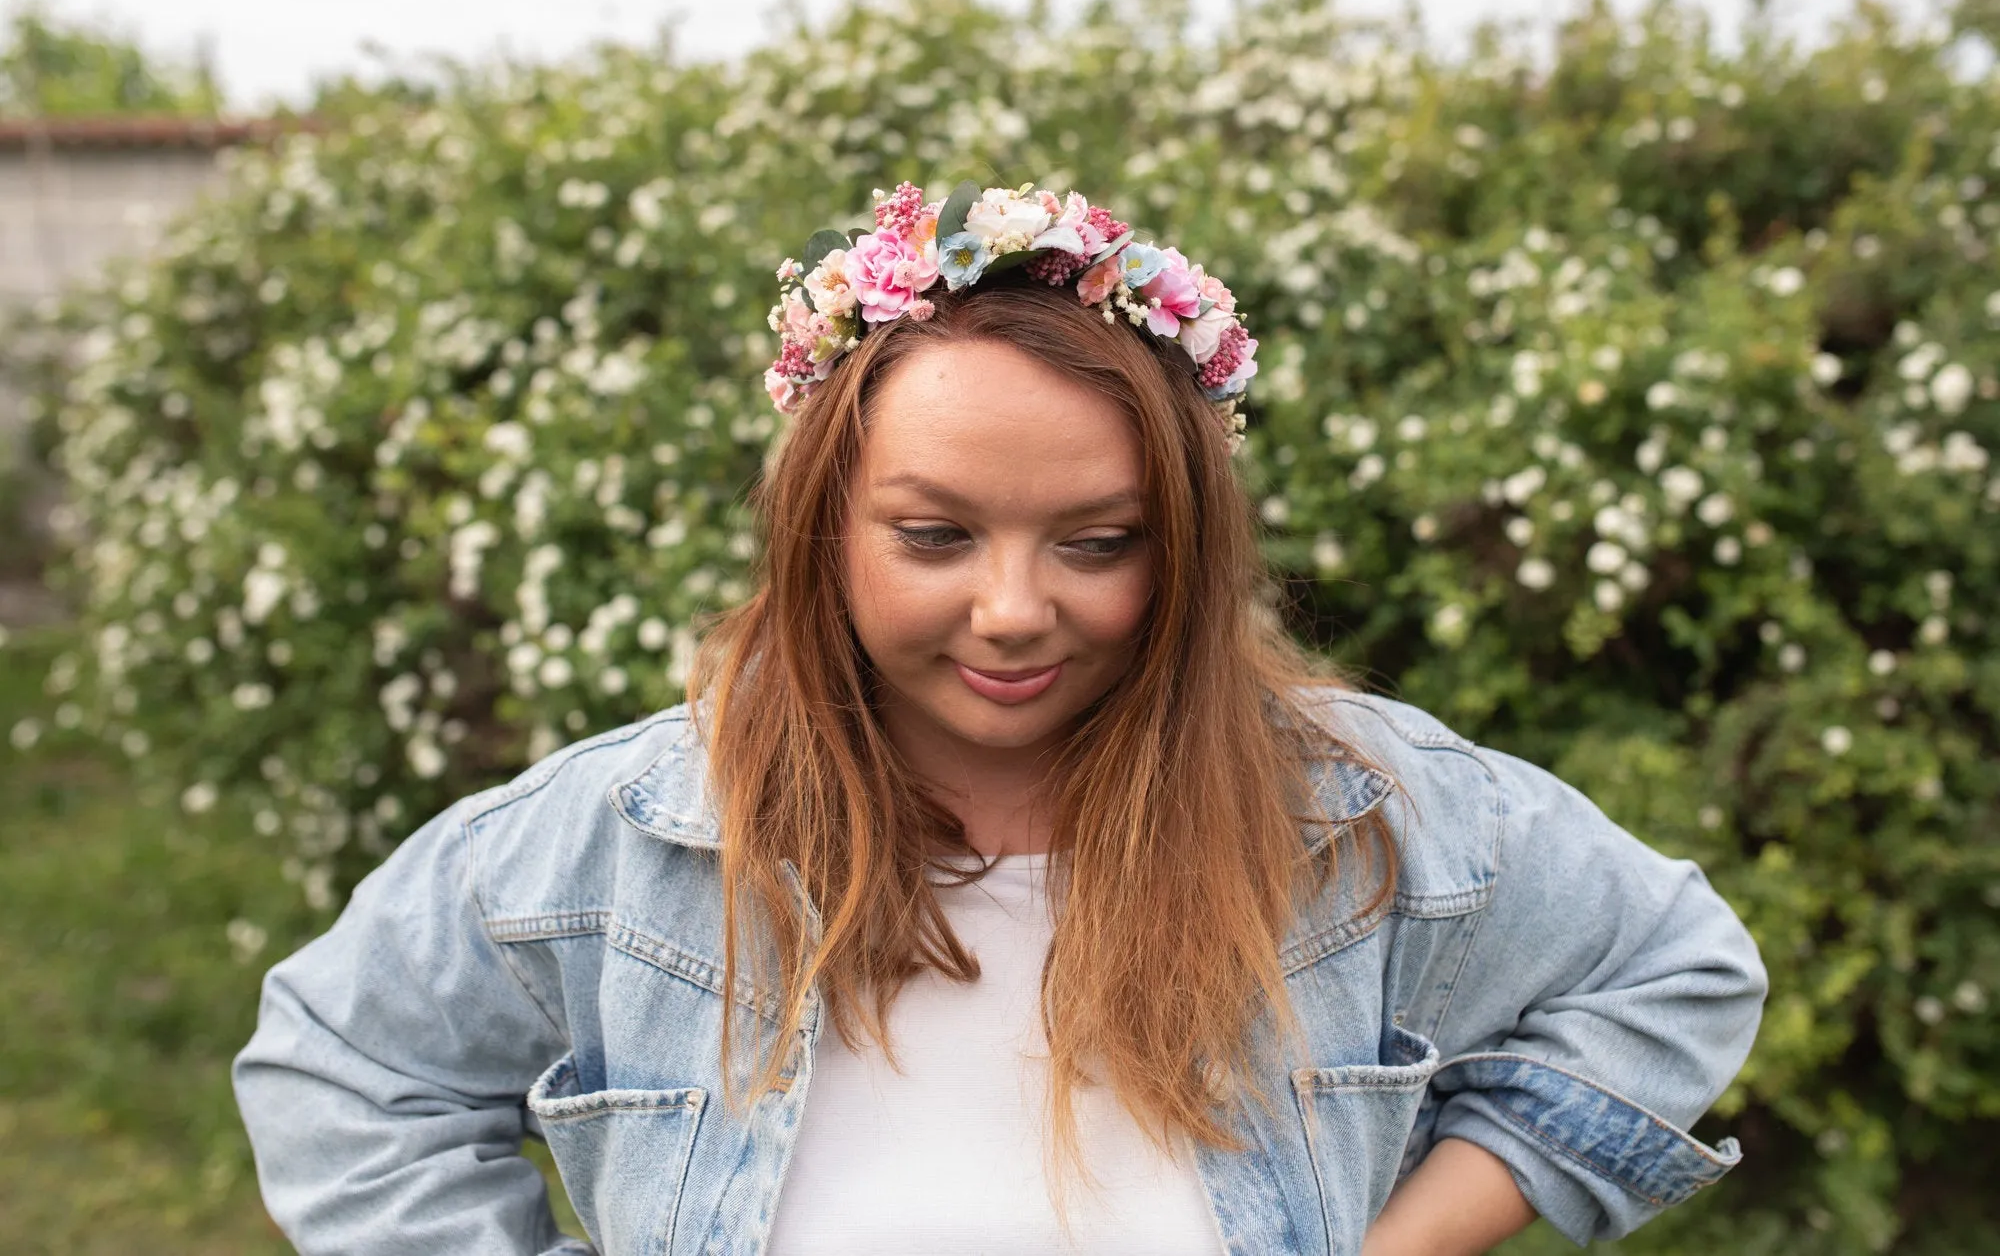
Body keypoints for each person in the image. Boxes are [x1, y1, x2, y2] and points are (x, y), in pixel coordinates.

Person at [234, 181, 1767, 1256]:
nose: (1017, 609)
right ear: (824, 526)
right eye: (935, 534)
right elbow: (343, 1066)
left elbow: (1673, 972)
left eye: (1096, 542)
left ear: (1184, 545)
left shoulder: (1359, 812)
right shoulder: (629, 837)